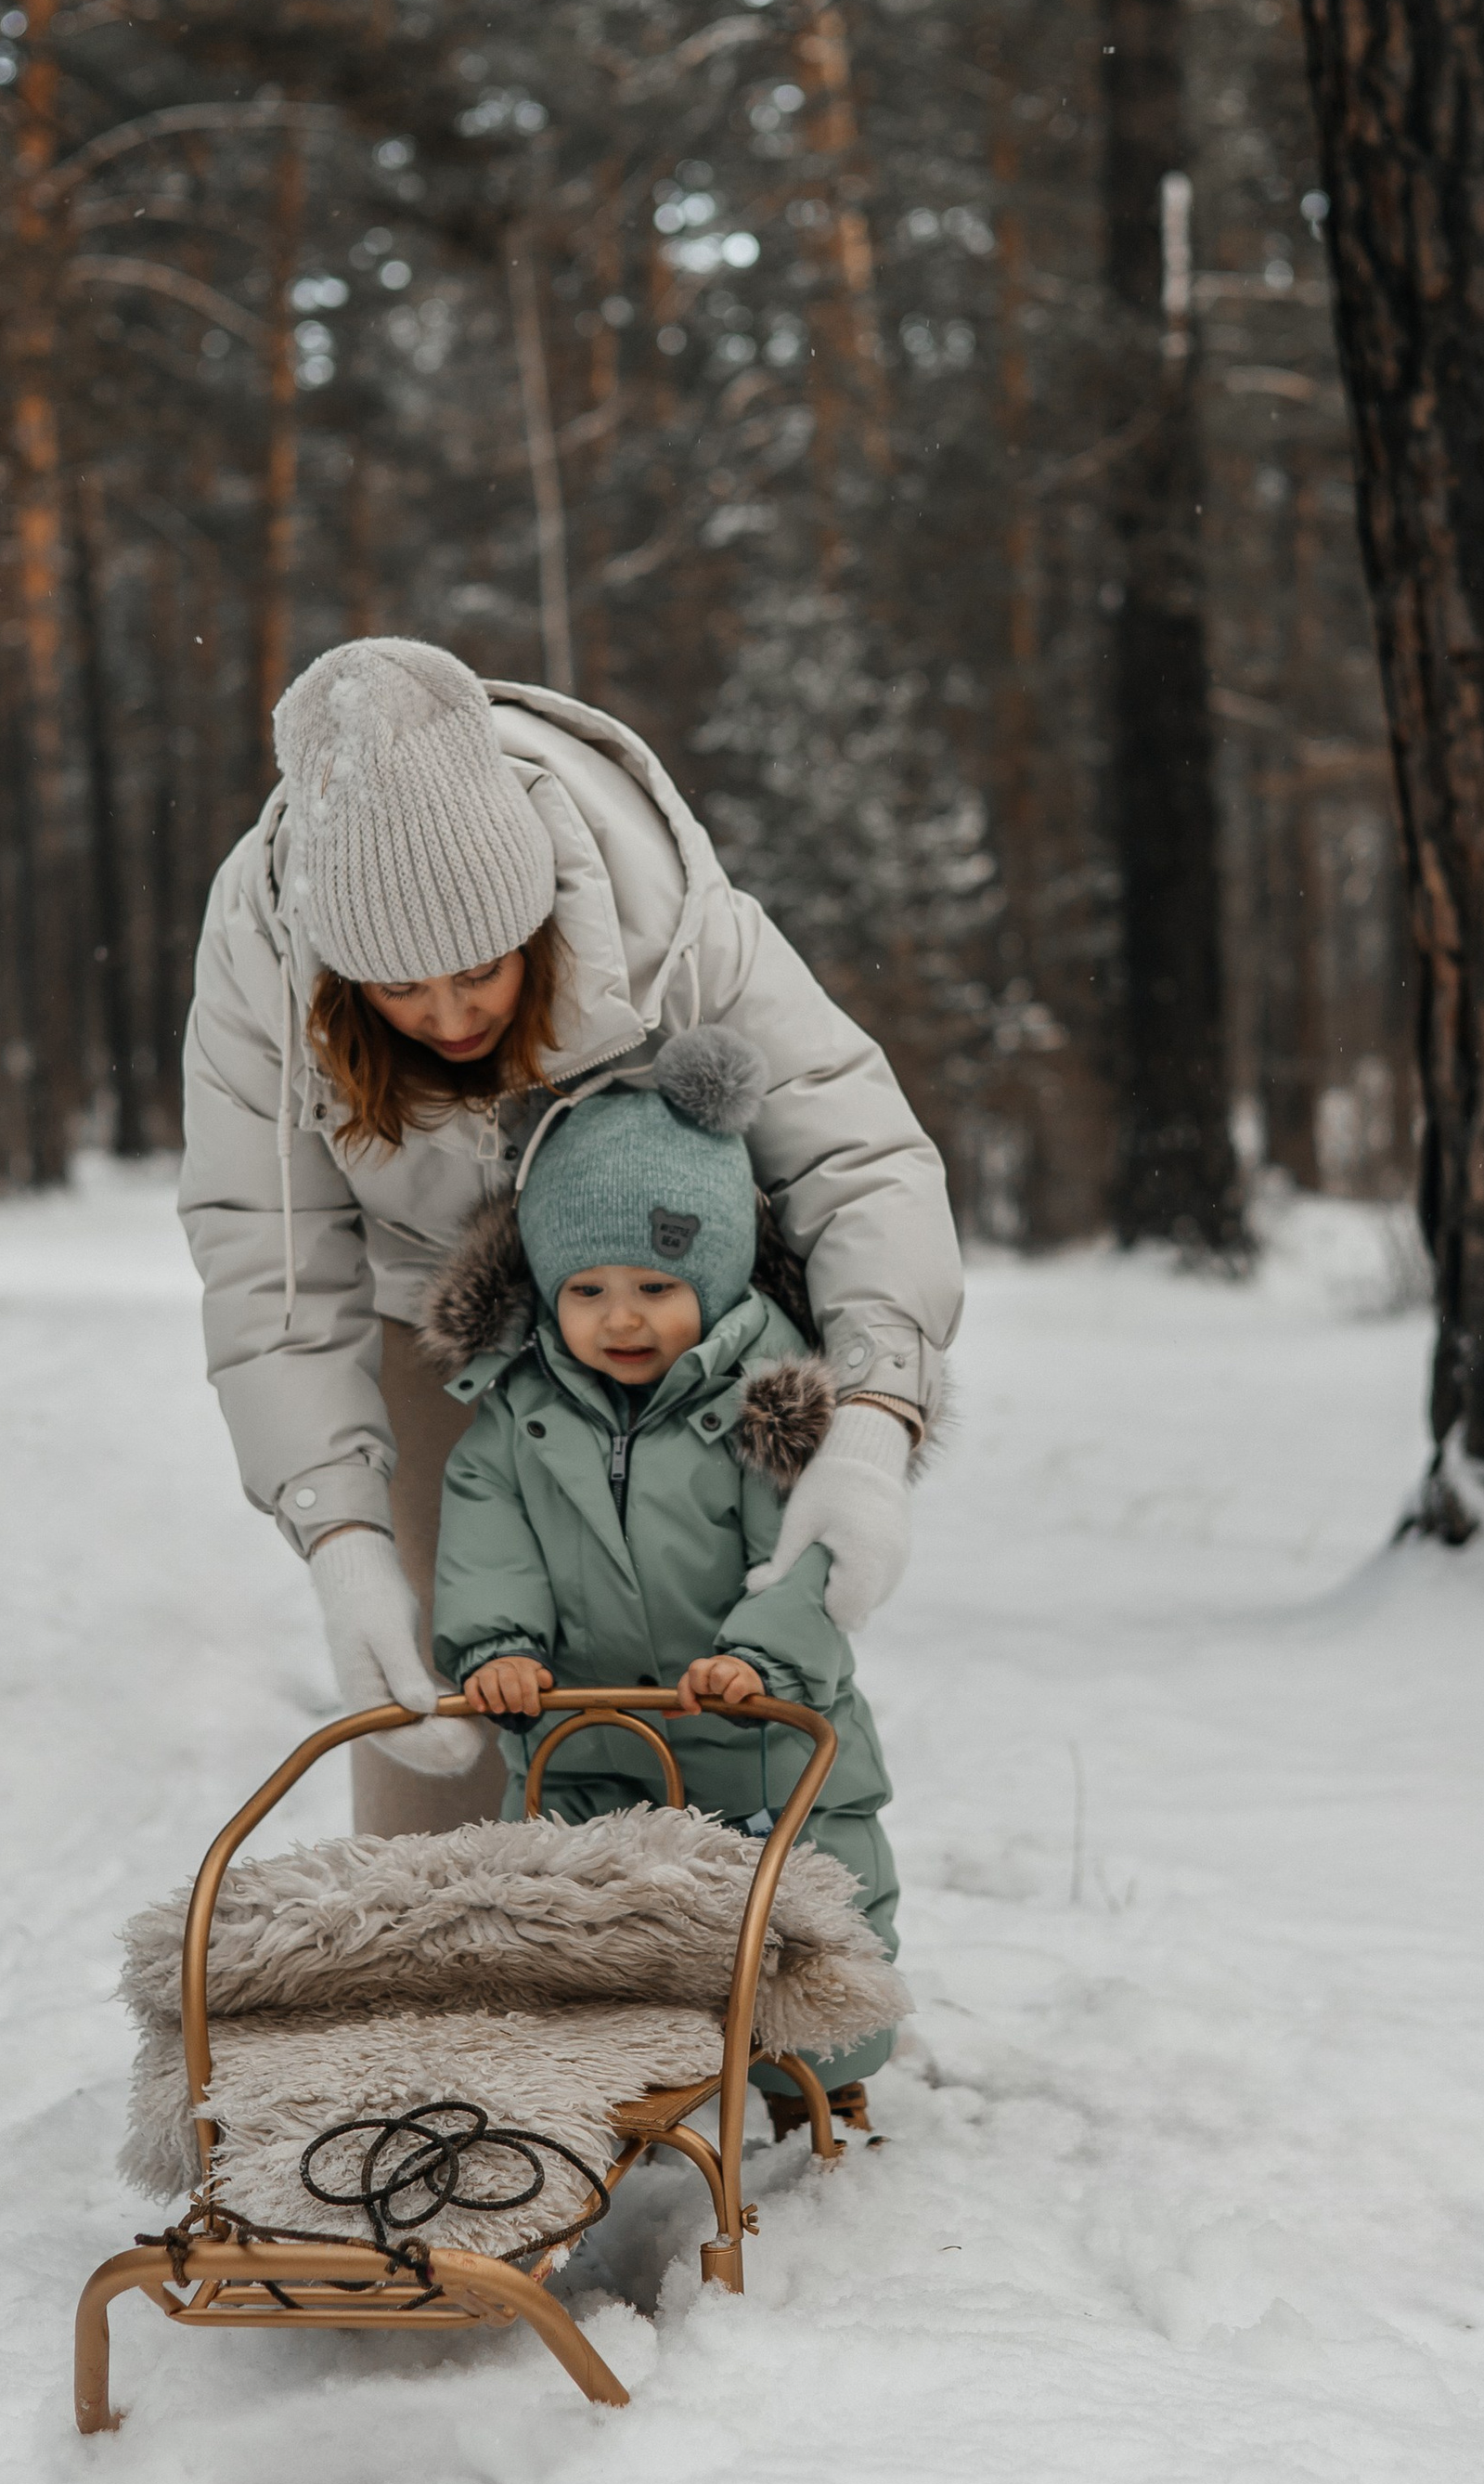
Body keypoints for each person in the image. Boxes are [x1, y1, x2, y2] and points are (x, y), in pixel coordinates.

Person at [178, 637, 961, 1837]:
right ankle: (442, 1986)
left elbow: (860, 1161)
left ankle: (744, 1981)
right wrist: (342, 1537)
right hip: (428, 1315)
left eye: (480, 972)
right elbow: (267, 1262)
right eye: (396, 991)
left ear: (536, 915)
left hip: (681, 1319)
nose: (446, 1017)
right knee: (450, 1707)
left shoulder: (668, 918)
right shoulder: (261, 972)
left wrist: (870, 1427)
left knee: (711, 1689)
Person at [419, 1025, 900, 2126]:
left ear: (716, 1264)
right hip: (588, 1736)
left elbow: (810, 1550)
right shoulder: (517, 1413)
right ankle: (607, 2089)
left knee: (801, 1910)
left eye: (653, 1282)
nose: (619, 1317)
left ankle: (819, 2084)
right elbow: (488, 1533)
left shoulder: (768, 1400)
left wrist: (758, 1654)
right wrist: (500, 1648)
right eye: (584, 1289)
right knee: (582, 1926)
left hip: (757, 1733)